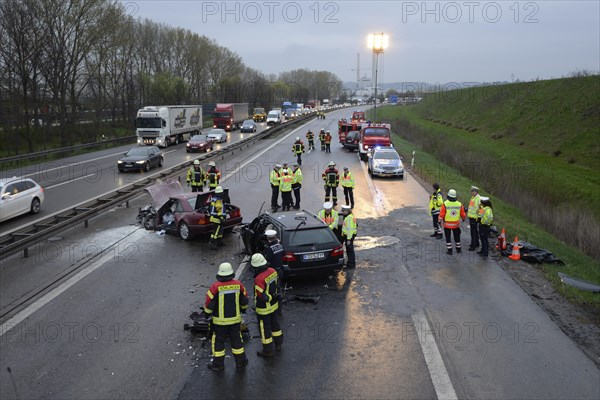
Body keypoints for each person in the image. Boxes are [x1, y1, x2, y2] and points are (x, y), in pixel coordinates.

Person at [204, 262, 249, 371]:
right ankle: (241, 362)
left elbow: (209, 304)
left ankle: (218, 365)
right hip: (235, 321)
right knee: (236, 340)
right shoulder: (239, 285)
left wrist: (207, 314)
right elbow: (244, 300)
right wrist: (243, 309)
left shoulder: (215, 287)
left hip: (220, 323)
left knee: (219, 342)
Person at [250, 253, 284, 357]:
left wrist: (269, 298)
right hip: (274, 305)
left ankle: (268, 350)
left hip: (264, 308)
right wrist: (275, 297)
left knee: (265, 329)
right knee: (275, 324)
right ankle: (278, 344)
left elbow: (262, 295)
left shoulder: (259, 279)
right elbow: (278, 286)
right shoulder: (272, 271)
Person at [438, 189, 466, 255]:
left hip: (447, 225)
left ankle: (450, 251)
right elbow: (463, 214)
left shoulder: (445, 204)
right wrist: (463, 219)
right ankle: (458, 249)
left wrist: (439, 221)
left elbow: (441, 214)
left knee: (448, 238)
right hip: (456, 225)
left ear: (448, 196)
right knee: (457, 237)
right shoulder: (459, 204)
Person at [467, 186, 481, 251]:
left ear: (475, 191)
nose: (471, 192)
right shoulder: (473, 197)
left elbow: (478, 209)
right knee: (474, 231)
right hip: (472, 217)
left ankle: (473, 245)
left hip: (474, 217)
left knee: (473, 232)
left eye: (472, 191)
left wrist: (478, 217)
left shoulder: (477, 198)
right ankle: (476, 243)